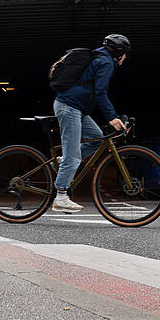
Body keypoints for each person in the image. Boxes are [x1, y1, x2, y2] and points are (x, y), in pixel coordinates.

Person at [52, 34, 130, 213]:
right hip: (69, 107)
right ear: (119, 53)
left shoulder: (98, 56)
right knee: (73, 157)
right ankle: (61, 196)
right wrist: (113, 117)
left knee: (96, 139)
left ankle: (64, 161)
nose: (125, 58)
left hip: (77, 108)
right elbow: (100, 93)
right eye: (125, 54)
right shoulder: (106, 63)